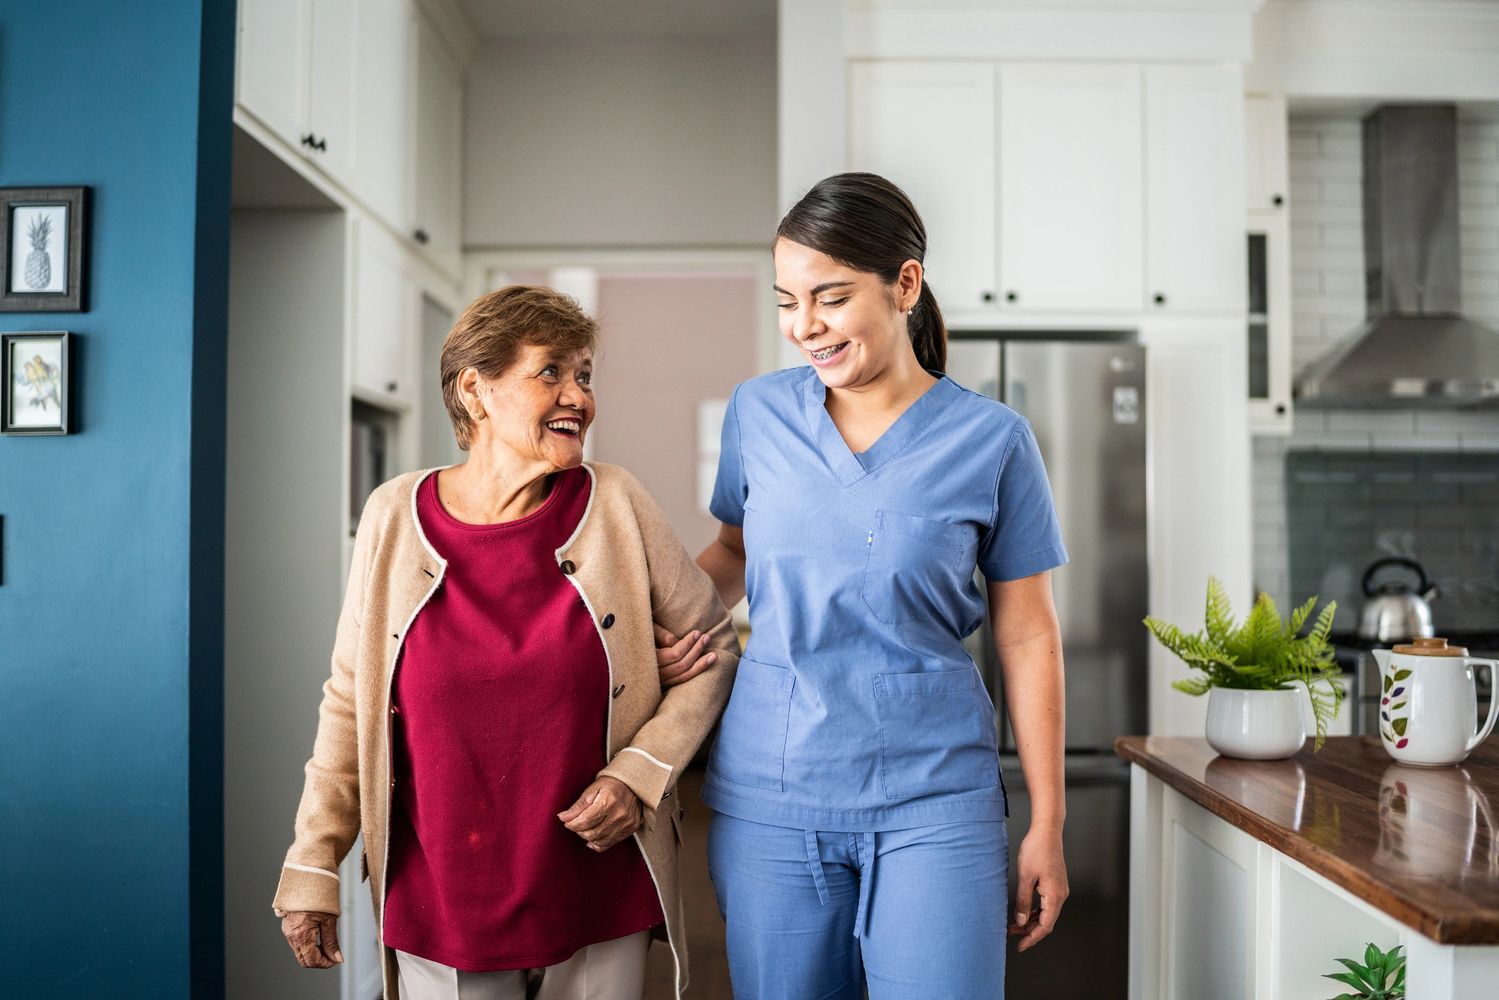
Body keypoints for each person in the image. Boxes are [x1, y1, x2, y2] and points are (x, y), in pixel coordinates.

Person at [660, 172, 1071, 999]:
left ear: (905, 284)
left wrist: (1049, 824)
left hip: (935, 799)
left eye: (830, 297)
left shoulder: (992, 441)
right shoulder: (759, 413)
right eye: (786, 301)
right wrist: (655, 631)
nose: (803, 326)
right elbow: (733, 554)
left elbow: (1026, 634)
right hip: (772, 795)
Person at [273, 285, 739, 1000]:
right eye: (550, 371)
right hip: (441, 895)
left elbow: (710, 648)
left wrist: (639, 773)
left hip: (594, 883)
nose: (577, 395)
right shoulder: (393, 515)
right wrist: (313, 862)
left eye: (584, 375)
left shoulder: (614, 503)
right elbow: (349, 701)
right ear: (475, 389)